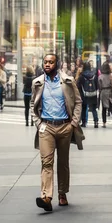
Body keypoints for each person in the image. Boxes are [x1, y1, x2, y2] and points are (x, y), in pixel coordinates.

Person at [31, 53, 84, 212]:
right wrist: (38, 123)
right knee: (46, 162)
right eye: (45, 62)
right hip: (46, 127)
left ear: (57, 64)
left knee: (63, 162)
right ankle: (46, 197)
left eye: (51, 62)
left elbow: (78, 102)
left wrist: (73, 123)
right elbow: (32, 106)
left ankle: (62, 193)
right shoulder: (37, 83)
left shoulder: (68, 81)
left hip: (64, 127)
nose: (47, 65)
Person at [98, 62, 112, 128]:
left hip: (104, 92)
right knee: (111, 107)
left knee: (104, 108)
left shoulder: (100, 76)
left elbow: (99, 86)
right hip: (111, 91)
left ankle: (104, 123)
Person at [79, 62, 99, 128]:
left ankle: (84, 122)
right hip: (93, 94)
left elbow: (78, 85)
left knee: (84, 108)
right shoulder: (94, 75)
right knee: (93, 109)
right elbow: (97, 85)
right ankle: (96, 121)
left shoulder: (82, 76)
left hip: (84, 94)